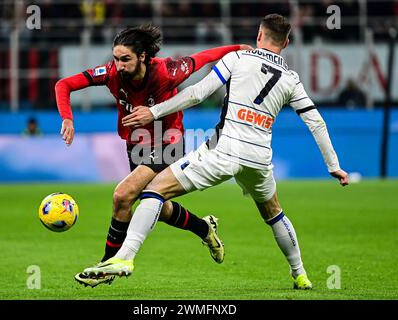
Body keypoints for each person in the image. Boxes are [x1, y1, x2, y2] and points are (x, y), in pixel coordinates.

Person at [85, 14, 349, 290]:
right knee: (274, 213)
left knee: (153, 191)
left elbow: (197, 94)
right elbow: (316, 122)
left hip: (224, 151)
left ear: (259, 36)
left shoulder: (237, 59)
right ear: (287, 42)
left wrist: (153, 112)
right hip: (259, 159)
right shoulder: (291, 79)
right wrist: (333, 165)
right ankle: (300, 274)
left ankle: (124, 259)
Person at [55, 24, 253, 287]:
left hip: (168, 141)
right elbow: (64, 84)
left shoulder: (167, 71)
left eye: (125, 59)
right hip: (137, 144)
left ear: (143, 57)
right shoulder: (112, 73)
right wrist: (67, 118)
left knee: (122, 195)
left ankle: (107, 265)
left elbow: (204, 57)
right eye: (115, 58)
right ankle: (204, 229)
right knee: (157, 206)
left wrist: (237, 49)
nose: (119, 65)